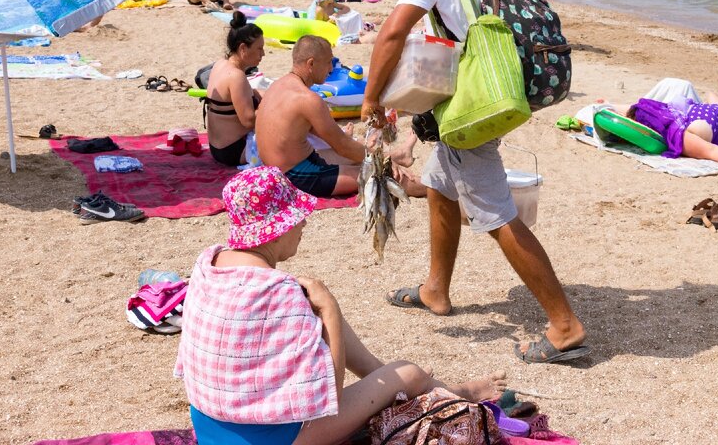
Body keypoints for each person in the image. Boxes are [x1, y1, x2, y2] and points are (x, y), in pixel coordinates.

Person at [362, 0, 589, 365]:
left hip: (472, 106)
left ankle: (565, 324)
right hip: (498, 91)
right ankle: (435, 290)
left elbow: (393, 33)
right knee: (442, 183)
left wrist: (371, 96)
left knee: (494, 211)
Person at [175, 167, 505, 445]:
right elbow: (327, 398)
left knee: (320, 312)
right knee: (409, 370)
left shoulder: (209, 265)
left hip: (211, 429)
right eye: (298, 219)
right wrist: (330, 309)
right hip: (277, 439)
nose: (304, 225)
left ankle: (384, 378)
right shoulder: (281, 293)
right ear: (277, 230)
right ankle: (459, 392)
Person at [256, 35, 361, 197]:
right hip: (298, 177)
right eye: (328, 62)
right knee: (383, 175)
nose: (331, 69)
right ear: (311, 63)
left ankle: (395, 157)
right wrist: (377, 159)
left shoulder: (276, 86)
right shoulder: (308, 99)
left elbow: (327, 137)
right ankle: (413, 182)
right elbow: (343, 146)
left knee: (359, 158)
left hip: (274, 172)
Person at [205, 12, 265, 167]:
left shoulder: (220, 64)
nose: (263, 54)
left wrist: (260, 94)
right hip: (236, 150)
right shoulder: (237, 76)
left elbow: (239, 95)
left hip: (218, 148)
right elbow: (248, 121)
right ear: (243, 48)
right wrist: (273, 105)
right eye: (259, 49)